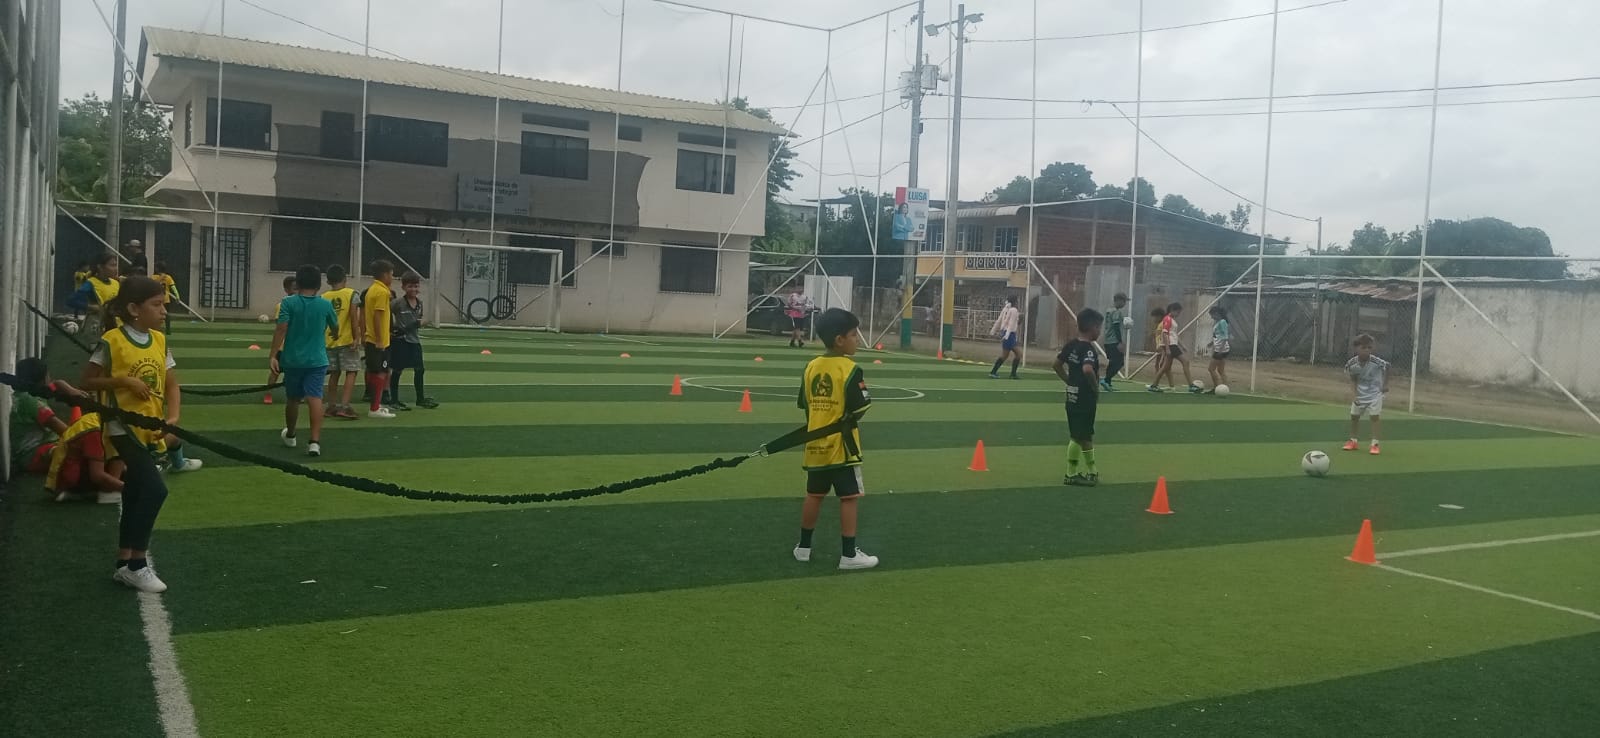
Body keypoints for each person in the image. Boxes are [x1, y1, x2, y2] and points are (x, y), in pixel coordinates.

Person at [82, 276, 192, 593]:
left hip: (150, 426)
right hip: (122, 426)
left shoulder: (159, 340)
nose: (164, 311)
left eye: (164, 305)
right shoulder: (112, 340)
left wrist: (172, 418)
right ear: (133, 309)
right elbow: (86, 381)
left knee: (134, 489)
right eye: (156, 305)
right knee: (155, 490)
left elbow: (172, 384)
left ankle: (124, 561)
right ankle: (138, 565)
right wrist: (123, 382)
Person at [794, 307, 879, 571]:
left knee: (814, 494)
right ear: (840, 340)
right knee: (849, 497)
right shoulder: (850, 369)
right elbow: (861, 407)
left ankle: (803, 548)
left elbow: (805, 403)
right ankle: (849, 555)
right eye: (854, 335)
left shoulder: (811, 367)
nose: (857, 339)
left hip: (815, 445)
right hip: (842, 448)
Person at [271, 265, 339, 457]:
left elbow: (281, 328)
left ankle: (291, 434)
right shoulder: (325, 304)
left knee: (293, 399)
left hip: (292, 360)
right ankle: (314, 442)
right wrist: (334, 334)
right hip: (317, 360)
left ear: (298, 283)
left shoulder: (288, 303)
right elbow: (335, 327)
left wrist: (273, 354)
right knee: (315, 398)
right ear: (318, 284)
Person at [8, 358, 88, 477]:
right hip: (34, 453)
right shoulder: (33, 403)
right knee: (80, 451)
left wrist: (70, 390)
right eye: (48, 376)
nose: (50, 379)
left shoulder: (24, 392)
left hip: (32, 449)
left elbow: (56, 384)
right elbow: (65, 431)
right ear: (43, 381)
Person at [1055, 308, 1104, 487]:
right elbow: (1088, 369)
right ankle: (1071, 473)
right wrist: (1095, 388)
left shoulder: (1071, 345)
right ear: (1092, 327)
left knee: (1085, 434)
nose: (1100, 331)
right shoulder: (1089, 349)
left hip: (1072, 396)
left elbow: (1056, 364)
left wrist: (1069, 380)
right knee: (1077, 436)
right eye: (1099, 328)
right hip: (1085, 397)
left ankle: (1092, 471)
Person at [45, 412, 125, 504]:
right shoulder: (94, 430)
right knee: (122, 447)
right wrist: (129, 489)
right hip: (70, 480)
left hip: (76, 471)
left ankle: (110, 489)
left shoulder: (100, 420)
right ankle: (108, 491)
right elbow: (97, 475)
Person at [386, 272, 438, 410]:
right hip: (400, 341)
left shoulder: (419, 303)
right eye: (410, 286)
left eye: (416, 286)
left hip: (414, 341)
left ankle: (420, 399)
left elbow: (419, 320)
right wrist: (390, 329)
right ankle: (394, 400)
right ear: (403, 287)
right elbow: (386, 314)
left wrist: (421, 323)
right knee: (397, 370)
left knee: (419, 369)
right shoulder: (398, 303)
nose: (413, 289)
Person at [321, 264, 364, 420]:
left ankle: (331, 406)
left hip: (329, 341)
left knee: (334, 373)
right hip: (346, 340)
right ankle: (345, 406)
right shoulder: (352, 294)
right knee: (351, 371)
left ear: (328, 281)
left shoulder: (323, 297)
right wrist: (356, 337)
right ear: (345, 278)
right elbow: (353, 317)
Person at [363, 260, 398, 419]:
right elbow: (377, 316)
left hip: (372, 338)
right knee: (381, 372)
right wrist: (379, 339)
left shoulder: (372, 289)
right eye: (391, 274)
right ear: (385, 274)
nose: (392, 277)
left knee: (374, 371)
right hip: (378, 340)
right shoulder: (382, 292)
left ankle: (375, 404)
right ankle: (374, 408)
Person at [1344, 334, 1389, 455]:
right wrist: (1354, 396)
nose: (1367, 350)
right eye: (1363, 348)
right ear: (1356, 349)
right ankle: (1353, 441)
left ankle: (1375, 444)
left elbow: (1387, 367)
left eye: (1369, 348)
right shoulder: (1351, 364)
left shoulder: (1376, 362)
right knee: (1354, 416)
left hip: (1375, 394)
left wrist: (1385, 384)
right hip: (1360, 394)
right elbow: (1353, 380)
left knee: (1374, 417)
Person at [1148, 302, 1198, 393]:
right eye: (1178, 312)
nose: (1179, 314)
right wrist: (1167, 348)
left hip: (1172, 344)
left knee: (1165, 367)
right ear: (1172, 310)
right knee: (1185, 362)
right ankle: (1191, 385)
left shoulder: (1171, 320)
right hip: (1171, 345)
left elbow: (1174, 335)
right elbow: (1165, 333)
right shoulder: (1167, 319)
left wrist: (1182, 345)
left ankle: (1154, 385)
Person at [263, 275, 297, 405]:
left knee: (294, 373)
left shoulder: (301, 304)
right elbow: (280, 327)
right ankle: (268, 393)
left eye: (298, 288)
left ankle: (293, 394)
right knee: (275, 372)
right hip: (283, 346)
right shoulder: (282, 305)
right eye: (294, 288)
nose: (296, 291)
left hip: (295, 347)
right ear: (286, 290)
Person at [987, 297, 1023, 379]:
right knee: (1017, 354)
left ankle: (994, 372)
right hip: (1009, 334)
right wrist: (1007, 334)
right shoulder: (1014, 310)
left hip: (1007, 333)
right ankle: (1012, 374)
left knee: (1006, 355)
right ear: (1015, 302)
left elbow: (1000, 320)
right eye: (1017, 301)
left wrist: (993, 330)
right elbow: (1011, 324)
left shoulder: (1005, 309)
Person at [1101, 293, 1129, 391]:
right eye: (1124, 301)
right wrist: (1120, 342)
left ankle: (1107, 383)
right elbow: (1116, 326)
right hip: (1114, 341)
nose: (1125, 304)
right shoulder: (1116, 312)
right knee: (1119, 362)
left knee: (1113, 362)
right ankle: (1106, 379)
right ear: (1118, 300)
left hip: (1108, 340)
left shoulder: (1109, 310)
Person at [1205, 306, 1231, 393]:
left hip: (1221, 350)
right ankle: (1225, 389)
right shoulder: (1218, 322)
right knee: (1220, 370)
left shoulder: (1222, 322)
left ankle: (1216, 387)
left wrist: (1219, 350)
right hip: (1222, 349)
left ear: (1216, 313)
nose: (1212, 317)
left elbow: (1225, 337)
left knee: (1211, 369)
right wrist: (1211, 343)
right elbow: (1218, 336)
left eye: (1212, 315)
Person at [152, 261, 179, 334]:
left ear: (157, 268)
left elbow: (151, 285)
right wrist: (177, 296)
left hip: (156, 298)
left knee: (156, 313)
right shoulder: (168, 277)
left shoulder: (154, 277)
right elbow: (173, 287)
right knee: (166, 314)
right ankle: (168, 330)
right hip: (166, 298)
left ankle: (156, 328)